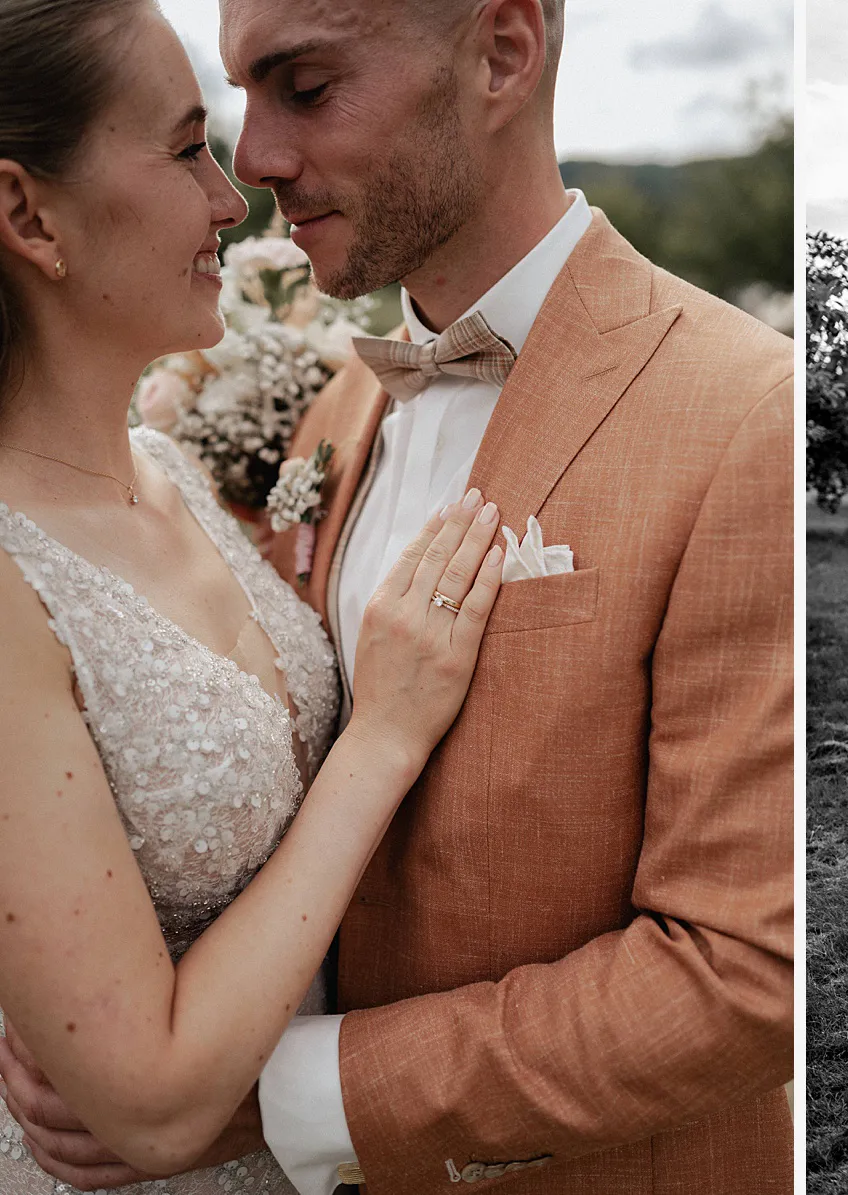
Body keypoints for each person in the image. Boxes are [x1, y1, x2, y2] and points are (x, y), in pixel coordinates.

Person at [5, 0, 795, 1192]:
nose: (253, 162)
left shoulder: (746, 417)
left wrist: (285, 1096)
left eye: (306, 89)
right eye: (227, 108)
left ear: (503, 52)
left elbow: (750, 970)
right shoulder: (336, 413)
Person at [0, 2, 505, 1193]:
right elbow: (158, 1107)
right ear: (27, 213)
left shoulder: (169, 473)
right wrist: (382, 732)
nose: (235, 200)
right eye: (186, 150)